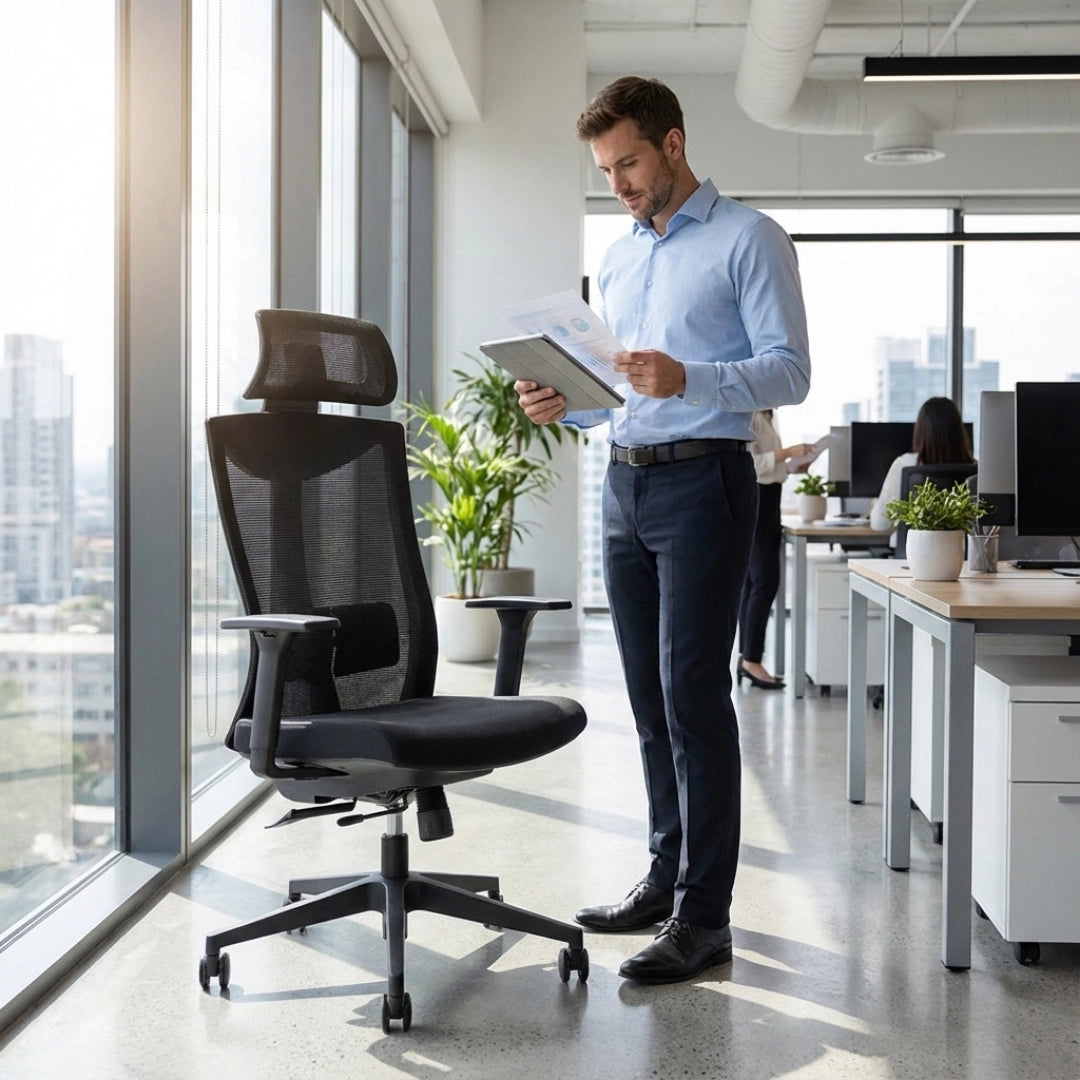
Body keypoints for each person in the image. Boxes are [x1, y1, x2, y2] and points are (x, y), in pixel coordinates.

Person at [515, 76, 811, 984]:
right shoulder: (617, 259)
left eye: (631, 162)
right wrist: (564, 404)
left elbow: (789, 373)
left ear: (674, 144)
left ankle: (706, 918)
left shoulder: (749, 238)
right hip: (625, 486)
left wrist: (693, 380)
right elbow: (618, 400)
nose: (620, 184)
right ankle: (664, 878)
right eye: (606, 170)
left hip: (706, 487)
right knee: (647, 702)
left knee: (692, 699)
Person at [737, 410, 812, 690]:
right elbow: (752, 464)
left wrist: (791, 466)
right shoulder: (752, 414)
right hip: (757, 499)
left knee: (753, 582)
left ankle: (747, 657)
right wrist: (789, 452)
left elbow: (769, 467)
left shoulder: (767, 415)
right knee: (765, 581)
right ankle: (751, 660)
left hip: (769, 499)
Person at [868, 396, 976, 541]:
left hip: (911, 559)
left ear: (920, 431)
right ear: (960, 432)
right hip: (962, 558)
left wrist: (875, 504)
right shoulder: (977, 470)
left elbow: (880, 523)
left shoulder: (906, 464)